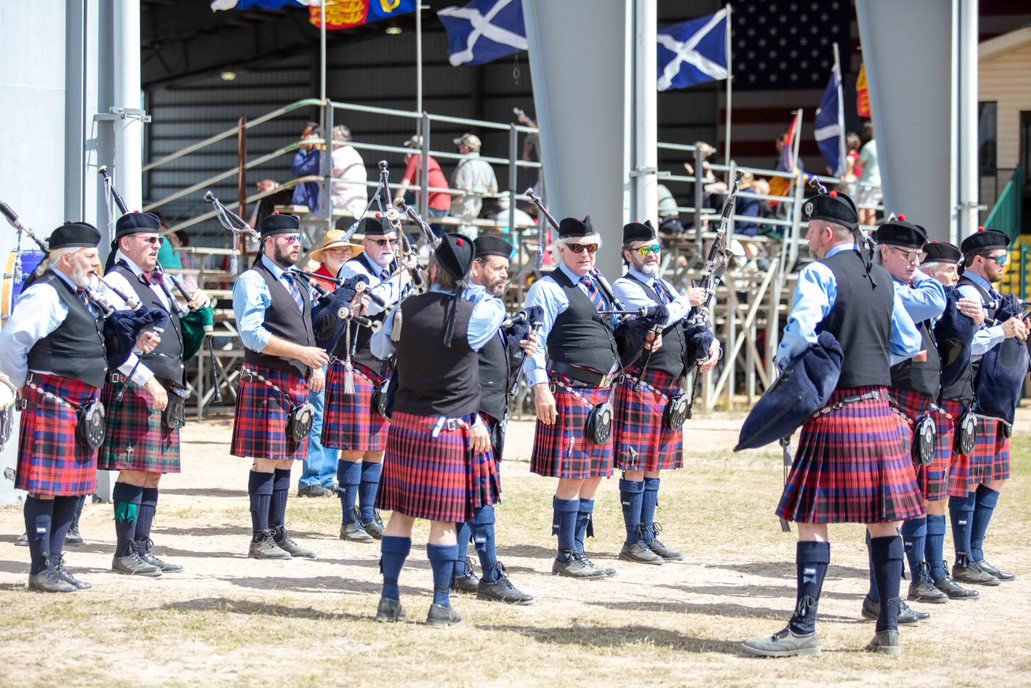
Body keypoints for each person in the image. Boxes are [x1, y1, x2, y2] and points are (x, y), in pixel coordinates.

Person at [742, 190, 923, 657]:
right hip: (881, 412)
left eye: (810, 231)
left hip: (835, 412)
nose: (809, 239)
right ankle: (888, 629)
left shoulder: (820, 272)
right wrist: (873, 361)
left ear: (826, 232)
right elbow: (907, 341)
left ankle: (804, 629)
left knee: (811, 519)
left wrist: (789, 370)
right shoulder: (884, 279)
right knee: (886, 521)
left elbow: (801, 332)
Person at [0, 222, 159, 592]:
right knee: (46, 489)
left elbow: (90, 344)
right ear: (67, 258)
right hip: (54, 399)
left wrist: (130, 342)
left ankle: (55, 564)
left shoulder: (81, 293)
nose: (95, 264)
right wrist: (25, 382)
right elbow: (12, 341)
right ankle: (41, 568)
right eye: (89, 257)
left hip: (83, 405)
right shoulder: (46, 294)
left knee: (72, 489)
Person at [370, 233, 507, 626]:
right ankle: (441, 604)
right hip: (449, 426)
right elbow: (480, 333)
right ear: (470, 273)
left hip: (406, 422)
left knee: (401, 513)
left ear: (432, 269)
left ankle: (389, 599)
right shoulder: (481, 312)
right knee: (443, 521)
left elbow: (381, 351)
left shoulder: (406, 308)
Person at [99, 211, 211, 577]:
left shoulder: (159, 282)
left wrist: (197, 312)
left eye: (159, 240)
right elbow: (117, 342)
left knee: (153, 473)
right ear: (126, 243)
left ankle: (142, 546)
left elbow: (176, 332)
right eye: (149, 240)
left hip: (167, 385)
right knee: (135, 470)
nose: (157, 245)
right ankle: (124, 550)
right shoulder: (117, 281)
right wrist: (146, 378)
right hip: (137, 385)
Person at [611, 221, 720, 565]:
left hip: (670, 386)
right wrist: (686, 302)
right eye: (644, 250)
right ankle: (632, 541)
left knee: (654, 464)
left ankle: (647, 533)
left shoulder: (664, 285)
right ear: (628, 254)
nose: (652, 255)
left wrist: (711, 345)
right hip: (641, 382)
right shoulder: (624, 286)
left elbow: (692, 324)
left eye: (655, 249)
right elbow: (656, 319)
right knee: (636, 464)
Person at [522, 216, 622, 578]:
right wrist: (540, 386)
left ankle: (579, 550)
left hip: (602, 392)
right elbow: (533, 340)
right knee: (573, 475)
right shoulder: (547, 288)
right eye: (577, 248)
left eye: (591, 247)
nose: (585, 254)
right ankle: (566, 555)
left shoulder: (600, 284)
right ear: (560, 249)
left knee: (595, 473)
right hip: (569, 389)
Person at [865, 220, 950, 612]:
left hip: (918, 409)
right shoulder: (888, 289)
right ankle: (883, 597)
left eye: (920, 257)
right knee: (890, 507)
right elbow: (935, 302)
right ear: (884, 252)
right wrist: (932, 277)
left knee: (914, 501)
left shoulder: (906, 284)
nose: (916, 263)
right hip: (894, 404)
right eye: (909, 255)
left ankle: (906, 585)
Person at [231, 213, 326, 560]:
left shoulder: (298, 281)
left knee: (287, 459)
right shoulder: (252, 280)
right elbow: (252, 335)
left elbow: (306, 327)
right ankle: (260, 538)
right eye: (289, 238)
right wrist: (302, 353)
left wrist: (314, 367)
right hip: (266, 381)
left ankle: (278, 531)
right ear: (268, 242)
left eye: (298, 238)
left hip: (297, 380)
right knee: (267, 460)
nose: (296, 244)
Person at [449, 236, 535, 603]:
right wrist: (473, 416)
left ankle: (458, 568)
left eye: (506, 268)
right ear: (476, 268)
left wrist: (513, 350)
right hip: (474, 414)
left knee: (470, 495)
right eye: (498, 268)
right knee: (480, 496)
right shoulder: (471, 305)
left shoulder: (483, 305)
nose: (505, 274)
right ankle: (490, 573)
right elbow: (460, 363)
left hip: (487, 412)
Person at [324, 218, 409, 542]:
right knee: (355, 447)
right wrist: (401, 279)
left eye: (391, 241)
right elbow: (374, 302)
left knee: (377, 448)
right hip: (355, 365)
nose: (388, 247)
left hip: (385, 368)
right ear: (366, 243)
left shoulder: (394, 271)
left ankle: (369, 513)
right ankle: (349, 520)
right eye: (381, 242)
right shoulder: (352, 269)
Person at [950, 229, 1027, 584]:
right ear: (978, 259)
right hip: (974, 397)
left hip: (995, 400)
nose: (1005, 265)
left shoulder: (989, 294)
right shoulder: (967, 292)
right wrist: (1004, 330)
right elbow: (967, 346)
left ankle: (976, 554)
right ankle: (964, 558)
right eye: (1000, 259)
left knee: (994, 478)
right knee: (967, 480)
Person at [919, 241, 983, 600]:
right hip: (931, 408)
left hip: (951, 407)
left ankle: (935, 569)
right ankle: (925, 571)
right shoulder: (939, 304)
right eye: (949, 270)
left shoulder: (953, 302)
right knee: (920, 495)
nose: (956, 277)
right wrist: (974, 320)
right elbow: (953, 342)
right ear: (929, 273)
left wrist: (978, 320)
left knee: (938, 495)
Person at [296, 230, 363, 498]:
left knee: (334, 418)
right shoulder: (314, 281)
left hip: (342, 359)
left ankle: (327, 474)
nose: (344, 255)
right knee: (317, 416)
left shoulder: (346, 281)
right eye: (338, 251)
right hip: (321, 356)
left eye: (347, 252)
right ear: (324, 255)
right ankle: (312, 476)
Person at [394, 135, 451, 234]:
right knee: (410, 199)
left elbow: (405, 184)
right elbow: (414, 189)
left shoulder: (416, 158)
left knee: (396, 214)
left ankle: (408, 245)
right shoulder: (430, 160)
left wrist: (394, 206)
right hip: (444, 207)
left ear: (412, 148)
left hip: (433, 208)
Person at [450, 133, 498, 238]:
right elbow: (494, 190)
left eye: (461, 146)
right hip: (476, 209)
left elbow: (463, 189)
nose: (459, 148)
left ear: (466, 148)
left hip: (460, 209)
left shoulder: (465, 164)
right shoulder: (486, 165)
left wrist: (445, 195)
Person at [330, 124, 368, 219]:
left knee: (312, 216)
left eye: (332, 138)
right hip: (359, 204)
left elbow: (323, 175)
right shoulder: (354, 153)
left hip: (343, 203)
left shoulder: (337, 155)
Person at [291, 122, 323, 214]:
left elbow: (297, 169)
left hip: (314, 207)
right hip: (311, 205)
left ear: (316, 137)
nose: (302, 138)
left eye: (306, 135)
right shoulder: (313, 155)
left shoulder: (319, 155)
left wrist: (301, 151)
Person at [856, 122, 881, 228]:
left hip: (867, 182)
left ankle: (862, 234)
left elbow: (859, 164)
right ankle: (869, 236)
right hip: (879, 182)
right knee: (872, 210)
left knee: (862, 208)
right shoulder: (883, 145)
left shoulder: (869, 146)